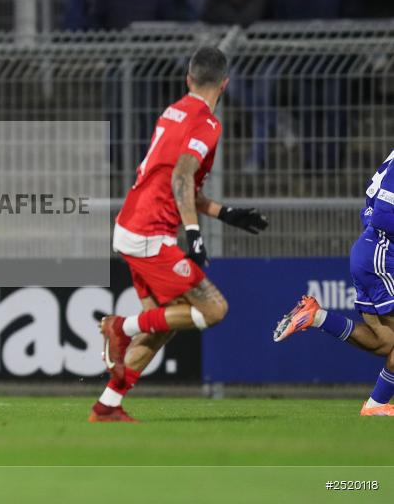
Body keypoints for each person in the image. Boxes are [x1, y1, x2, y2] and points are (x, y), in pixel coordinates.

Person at [91, 47, 268, 422]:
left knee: (162, 324)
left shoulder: (172, 112)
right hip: (150, 234)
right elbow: (181, 177)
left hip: (132, 224)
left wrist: (226, 213)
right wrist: (194, 235)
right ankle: (118, 326)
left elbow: (177, 183)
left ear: (188, 79)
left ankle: (107, 405)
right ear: (225, 83)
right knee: (214, 310)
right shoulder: (207, 124)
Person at [274, 150, 394, 416]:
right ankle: (376, 405)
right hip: (382, 255)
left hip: (371, 252)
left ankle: (317, 317)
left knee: (385, 341)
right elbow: (384, 217)